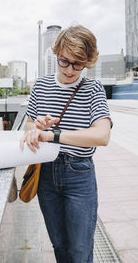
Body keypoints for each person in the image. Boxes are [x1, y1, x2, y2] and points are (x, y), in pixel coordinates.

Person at [20, 25, 112, 263]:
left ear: (88, 62)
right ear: (56, 53)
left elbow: (102, 135)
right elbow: (28, 126)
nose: (70, 70)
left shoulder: (93, 89)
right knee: (60, 246)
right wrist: (37, 128)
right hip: (46, 174)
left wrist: (54, 135)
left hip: (79, 173)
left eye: (78, 64)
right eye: (64, 61)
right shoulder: (40, 86)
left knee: (80, 250)